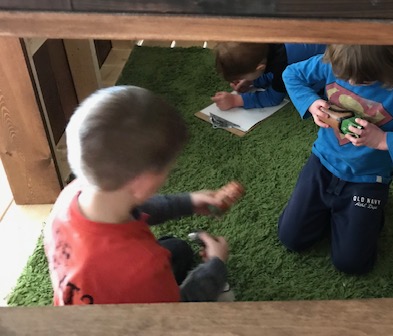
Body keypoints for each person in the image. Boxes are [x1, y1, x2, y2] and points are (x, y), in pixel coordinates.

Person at [43, 85, 243, 305]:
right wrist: (215, 266)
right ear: (143, 182)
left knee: (177, 250)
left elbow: (135, 206)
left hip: (90, 288)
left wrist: (188, 202)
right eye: (167, 170)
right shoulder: (144, 266)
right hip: (129, 317)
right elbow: (177, 311)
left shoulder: (72, 194)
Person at [278, 45, 393, 274]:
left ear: (389, 65)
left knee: (352, 263)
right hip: (323, 162)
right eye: (344, 75)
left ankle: (368, 213)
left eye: (364, 80)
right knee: (291, 238)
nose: (351, 82)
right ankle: (340, 213)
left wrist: (382, 140)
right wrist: (311, 103)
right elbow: (291, 73)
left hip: (368, 179)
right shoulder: (336, 60)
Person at [211, 42, 326, 110]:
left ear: (259, 67)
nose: (242, 80)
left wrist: (235, 100)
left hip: (328, 70)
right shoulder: (265, 47)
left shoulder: (283, 65)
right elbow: (269, 71)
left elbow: (274, 97)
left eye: (243, 77)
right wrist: (252, 81)